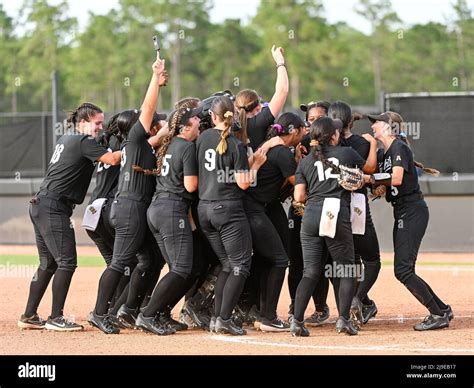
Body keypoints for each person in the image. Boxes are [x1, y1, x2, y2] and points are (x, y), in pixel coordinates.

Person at [18, 102, 121, 331]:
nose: (100, 127)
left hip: (42, 204)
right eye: (96, 123)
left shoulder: (67, 139)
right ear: (83, 123)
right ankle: (56, 317)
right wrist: (133, 147)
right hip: (53, 207)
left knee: (48, 263)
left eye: (102, 123)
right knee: (67, 262)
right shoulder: (83, 141)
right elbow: (113, 160)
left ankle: (29, 315)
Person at [88, 52, 169, 334]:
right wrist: (155, 80)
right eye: (143, 123)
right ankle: (100, 313)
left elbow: (160, 135)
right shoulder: (135, 140)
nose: (147, 124)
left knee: (148, 260)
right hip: (129, 209)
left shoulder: (143, 145)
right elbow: (148, 109)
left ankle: (125, 310)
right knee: (121, 263)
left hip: (126, 208)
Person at [369, 111, 453, 331]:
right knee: (404, 269)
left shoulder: (399, 147)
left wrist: (372, 179)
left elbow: (395, 178)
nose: (373, 125)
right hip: (404, 212)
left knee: (403, 270)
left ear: (388, 127)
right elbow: (387, 181)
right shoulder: (384, 152)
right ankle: (442, 309)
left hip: (412, 211)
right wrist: (376, 185)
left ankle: (437, 314)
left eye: (376, 122)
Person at [291, 117, 370, 336]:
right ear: (333, 136)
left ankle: (296, 321)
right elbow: (368, 169)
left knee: (310, 272)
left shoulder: (305, 162)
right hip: (334, 211)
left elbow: (298, 196)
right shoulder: (346, 153)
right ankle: (343, 320)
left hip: (311, 215)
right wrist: (372, 146)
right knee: (346, 269)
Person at [196, 96, 266, 335]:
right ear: (232, 117)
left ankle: (218, 317)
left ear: (213, 117)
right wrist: (255, 164)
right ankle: (224, 318)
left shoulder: (202, 138)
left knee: (227, 264)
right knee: (240, 265)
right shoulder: (235, 143)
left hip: (204, 209)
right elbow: (244, 183)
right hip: (227, 210)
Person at [136, 100, 201, 335]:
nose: (198, 122)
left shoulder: (170, 144)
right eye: (194, 119)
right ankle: (148, 314)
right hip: (172, 210)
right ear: (184, 127)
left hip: (157, 209)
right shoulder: (185, 147)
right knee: (182, 268)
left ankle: (160, 313)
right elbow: (190, 185)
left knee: (180, 268)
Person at [244, 112, 305, 332]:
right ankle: (268, 317)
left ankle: (257, 311)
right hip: (254, 210)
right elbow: (299, 187)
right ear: (293, 131)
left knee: (265, 259)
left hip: (257, 208)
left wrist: (296, 160)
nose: (305, 132)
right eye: (302, 128)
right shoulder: (281, 153)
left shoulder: (276, 149)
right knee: (279, 260)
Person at [329, 101, 380, 326]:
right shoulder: (358, 143)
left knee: (346, 261)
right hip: (355, 203)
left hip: (329, 207)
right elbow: (369, 170)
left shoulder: (323, 144)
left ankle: (358, 303)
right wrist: (373, 147)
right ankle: (357, 300)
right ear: (351, 121)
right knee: (372, 260)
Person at [287, 100, 332, 326]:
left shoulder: (336, 145)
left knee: (324, 263)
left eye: (317, 119)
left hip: (326, 210)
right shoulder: (301, 142)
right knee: (296, 262)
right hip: (300, 210)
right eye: (310, 119)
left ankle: (321, 307)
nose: (311, 123)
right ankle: (295, 306)